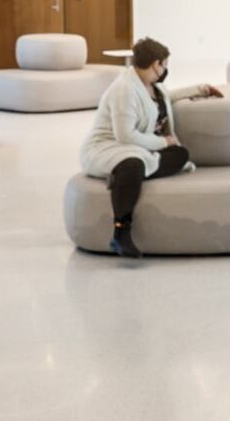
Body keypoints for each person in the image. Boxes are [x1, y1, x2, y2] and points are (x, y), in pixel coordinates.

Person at [79, 36, 220, 258]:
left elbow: (167, 97)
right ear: (157, 63)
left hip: (139, 147)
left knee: (180, 154)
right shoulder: (124, 89)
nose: (165, 69)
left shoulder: (151, 85)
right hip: (109, 146)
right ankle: (121, 233)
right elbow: (124, 135)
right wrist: (163, 142)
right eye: (164, 64)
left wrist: (201, 89)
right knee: (133, 165)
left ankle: (125, 177)